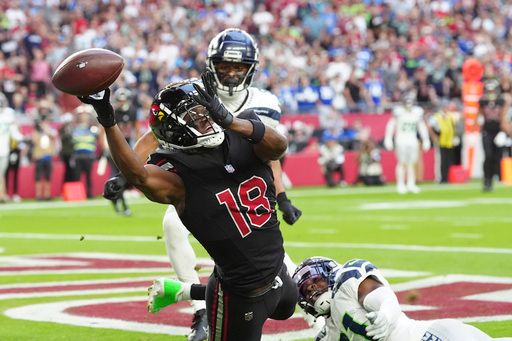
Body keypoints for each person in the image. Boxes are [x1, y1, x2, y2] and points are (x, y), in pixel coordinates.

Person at [103, 28, 304, 341]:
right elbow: (153, 138)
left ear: (251, 68)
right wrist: (121, 173)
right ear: (213, 64)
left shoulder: (261, 104)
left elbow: (271, 149)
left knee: (260, 251)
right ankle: (200, 309)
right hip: (204, 179)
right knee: (176, 225)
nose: (232, 73)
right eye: (225, 66)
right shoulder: (190, 92)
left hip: (245, 176)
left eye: (239, 67)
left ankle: (187, 291)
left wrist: (281, 194)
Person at [292, 256, 496, 341]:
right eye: (306, 291)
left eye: (315, 282)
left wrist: (385, 316)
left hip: (425, 337)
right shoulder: (329, 333)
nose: (312, 291)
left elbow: (382, 296)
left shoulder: (346, 281)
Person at [384, 92, 431, 194]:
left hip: (412, 140)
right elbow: (391, 125)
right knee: (401, 163)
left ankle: (411, 184)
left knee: (411, 163)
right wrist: (388, 139)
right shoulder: (398, 112)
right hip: (401, 140)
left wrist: (426, 139)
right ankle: (400, 184)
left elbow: (421, 126)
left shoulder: (417, 112)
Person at [479, 78, 505, 192]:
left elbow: (503, 117)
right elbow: (480, 116)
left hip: (498, 131)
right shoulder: (482, 101)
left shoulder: (501, 101)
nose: (491, 93)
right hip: (487, 131)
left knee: (496, 157)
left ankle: (493, 179)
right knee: (488, 155)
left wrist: (504, 131)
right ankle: (487, 180)